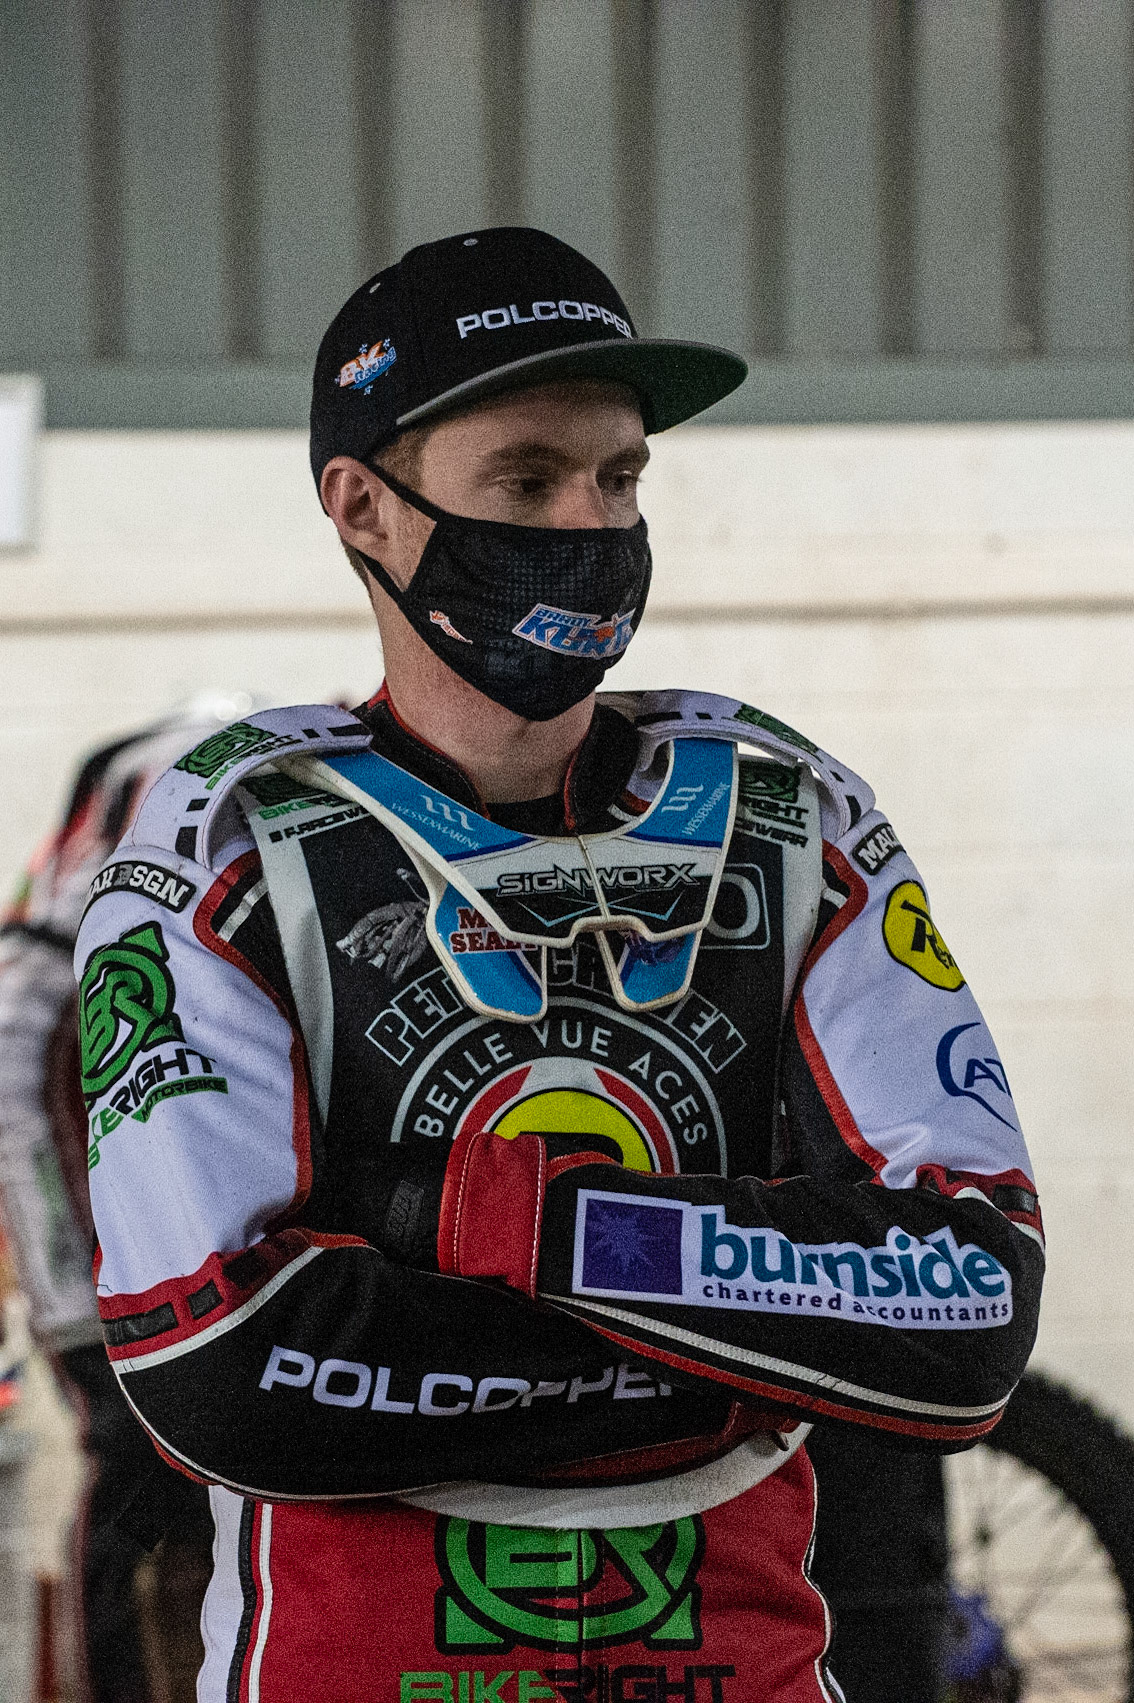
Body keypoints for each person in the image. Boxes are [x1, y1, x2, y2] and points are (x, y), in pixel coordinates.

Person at [74, 228, 1044, 1703]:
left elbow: (968, 1310)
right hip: (355, 1661)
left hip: (743, 1661)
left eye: (622, 477)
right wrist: (755, 1333)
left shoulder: (786, 806)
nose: (590, 525)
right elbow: (228, 1364)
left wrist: (473, 1220)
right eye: (526, 479)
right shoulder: (226, 835)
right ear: (366, 509)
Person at [0, 705, 245, 1702]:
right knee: (144, 1515)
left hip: (252, 1279)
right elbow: (17, 1052)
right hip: (121, 1289)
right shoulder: (140, 786)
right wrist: (70, 1304)